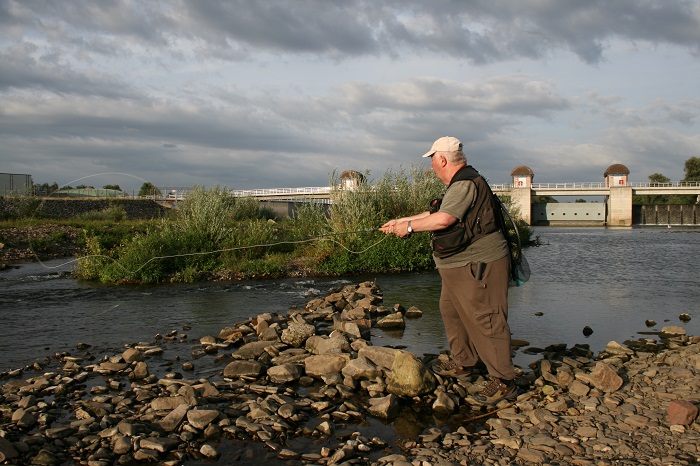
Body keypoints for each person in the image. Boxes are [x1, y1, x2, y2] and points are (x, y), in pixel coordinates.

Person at [380, 136, 517, 405]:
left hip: (479, 265)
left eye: (432, 160)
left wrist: (407, 229)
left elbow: (444, 219)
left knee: (486, 318)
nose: (431, 166)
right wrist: (402, 221)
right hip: (458, 266)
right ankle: (464, 362)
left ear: (442, 159)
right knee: (451, 310)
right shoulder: (460, 184)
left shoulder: (466, 183)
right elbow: (436, 213)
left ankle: (504, 380)